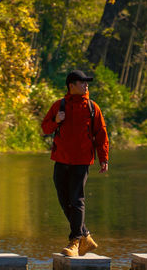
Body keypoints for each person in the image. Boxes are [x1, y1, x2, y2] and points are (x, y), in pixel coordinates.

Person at [41, 69, 109, 258]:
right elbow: (45, 128)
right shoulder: (59, 105)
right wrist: (56, 120)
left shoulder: (92, 107)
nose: (86, 85)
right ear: (71, 86)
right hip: (61, 159)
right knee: (64, 200)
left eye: (86, 83)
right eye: (82, 82)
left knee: (76, 199)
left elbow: (101, 134)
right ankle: (85, 236)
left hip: (81, 161)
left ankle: (75, 241)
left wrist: (104, 158)